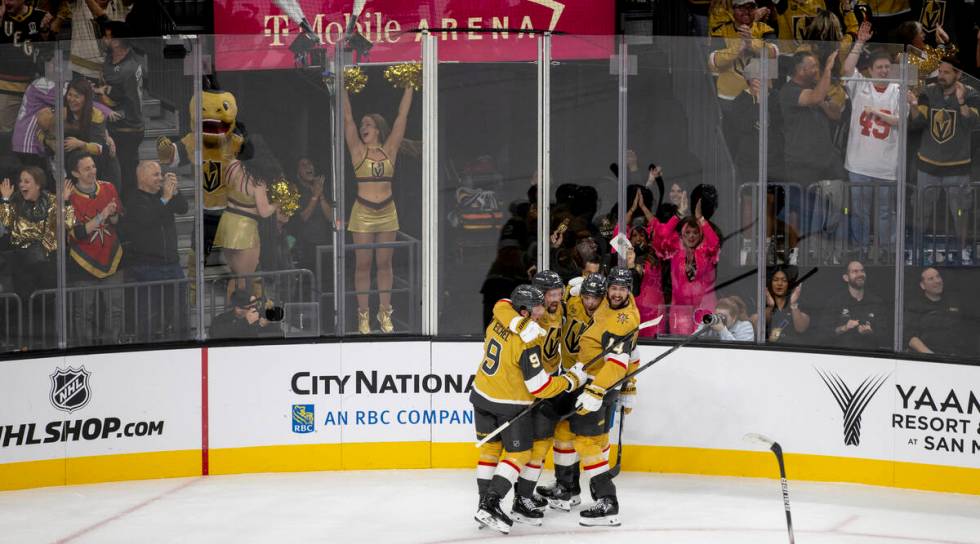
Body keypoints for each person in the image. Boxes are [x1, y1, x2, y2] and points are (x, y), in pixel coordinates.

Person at [471, 284, 587, 534]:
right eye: (536, 308)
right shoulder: (527, 342)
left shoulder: (498, 320)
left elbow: (501, 302)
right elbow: (540, 387)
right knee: (520, 454)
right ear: (523, 310)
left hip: (481, 396)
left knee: (490, 450)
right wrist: (572, 380)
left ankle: (482, 504)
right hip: (508, 404)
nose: (540, 312)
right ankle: (490, 505)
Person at [547, 267, 640, 527]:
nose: (618, 293)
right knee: (564, 431)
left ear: (628, 291)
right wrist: (571, 290)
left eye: (623, 289)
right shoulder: (605, 306)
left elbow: (619, 362)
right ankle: (567, 490)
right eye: (614, 288)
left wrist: (600, 389)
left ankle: (607, 503)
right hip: (582, 380)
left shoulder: (623, 320)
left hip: (598, 387)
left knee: (588, 443)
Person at [485, 270, 567, 524]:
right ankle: (502, 500)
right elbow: (501, 307)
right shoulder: (525, 312)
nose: (556, 299)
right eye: (551, 295)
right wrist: (520, 324)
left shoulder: (561, 307)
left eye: (559, 293)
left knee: (541, 446)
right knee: (522, 448)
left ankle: (524, 497)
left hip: (547, 383)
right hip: (527, 388)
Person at [342, 84, 414, 335]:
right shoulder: (357, 151)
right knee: (363, 265)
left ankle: (385, 314)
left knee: (385, 264)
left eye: (369, 124)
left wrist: (410, 85)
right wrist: (343, 86)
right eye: (363, 124)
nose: (363, 127)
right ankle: (363, 316)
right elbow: (347, 118)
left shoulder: (390, 149)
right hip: (362, 212)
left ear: (378, 130)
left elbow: (401, 118)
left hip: (387, 211)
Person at [909, 59, 980, 265]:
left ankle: (963, 250)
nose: (941, 76)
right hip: (927, 165)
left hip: (957, 167)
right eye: (940, 71)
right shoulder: (929, 92)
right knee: (922, 210)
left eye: (946, 72)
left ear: (958, 75)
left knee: (960, 213)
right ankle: (917, 249)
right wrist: (913, 105)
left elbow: (972, 122)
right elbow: (919, 121)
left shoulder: (972, 94)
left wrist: (961, 102)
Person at [842, 24, 904, 256]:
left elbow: (901, 121)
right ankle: (860, 251)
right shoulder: (860, 86)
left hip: (887, 166)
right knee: (860, 212)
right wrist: (859, 43)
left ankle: (887, 251)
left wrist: (877, 113)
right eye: (879, 67)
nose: (884, 71)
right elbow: (847, 69)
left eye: (888, 67)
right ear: (870, 69)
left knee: (886, 212)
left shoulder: (898, 90)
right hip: (858, 164)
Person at [0, 166, 73, 347]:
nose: (22, 185)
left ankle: (49, 345)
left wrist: (65, 202)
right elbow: (6, 225)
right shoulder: (15, 202)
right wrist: (6, 199)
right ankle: (25, 345)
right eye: (21, 181)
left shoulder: (53, 201)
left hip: (47, 264)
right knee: (25, 308)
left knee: (47, 307)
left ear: (38, 184)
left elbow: (69, 223)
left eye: (27, 181)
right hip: (23, 266)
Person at [122, 160, 187, 341]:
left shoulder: (163, 194)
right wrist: (165, 198)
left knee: (178, 313)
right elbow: (147, 219)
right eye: (156, 174)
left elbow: (183, 208)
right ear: (142, 177)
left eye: (161, 174)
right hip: (147, 267)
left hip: (172, 264)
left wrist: (175, 191)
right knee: (149, 316)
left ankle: (183, 345)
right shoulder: (134, 199)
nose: (160, 178)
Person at [66, 151, 123, 345]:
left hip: (112, 257)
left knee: (115, 309)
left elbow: (117, 221)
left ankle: (112, 347)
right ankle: (84, 351)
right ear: (75, 173)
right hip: (83, 262)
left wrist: (113, 214)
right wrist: (102, 215)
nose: (92, 171)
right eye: (86, 168)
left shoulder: (108, 187)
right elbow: (76, 233)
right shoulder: (70, 198)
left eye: (93, 166)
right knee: (83, 312)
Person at [212, 149, 280, 298]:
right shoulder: (258, 182)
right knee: (244, 282)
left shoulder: (231, 166)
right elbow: (264, 211)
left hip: (227, 224)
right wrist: (277, 204)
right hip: (244, 229)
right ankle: (242, 318)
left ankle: (231, 316)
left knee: (235, 278)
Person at [653, 201, 720, 335]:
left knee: (703, 347)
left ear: (701, 235)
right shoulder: (675, 251)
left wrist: (700, 219)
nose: (691, 236)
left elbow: (714, 242)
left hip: (704, 307)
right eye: (687, 232)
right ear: (682, 234)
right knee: (680, 348)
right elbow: (662, 235)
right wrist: (678, 215)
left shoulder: (707, 252)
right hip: (680, 309)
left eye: (695, 232)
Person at [37, 78, 119, 186]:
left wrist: (79, 144)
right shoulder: (60, 113)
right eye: (70, 95)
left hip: (100, 166)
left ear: (86, 99)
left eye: (77, 96)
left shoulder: (96, 115)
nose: (72, 99)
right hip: (71, 167)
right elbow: (40, 132)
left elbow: (99, 148)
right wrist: (50, 143)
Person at [96, 21, 142, 200]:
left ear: (116, 42)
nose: (103, 39)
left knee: (125, 171)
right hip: (112, 126)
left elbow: (129, 99)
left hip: (128, 128)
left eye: (106, 36)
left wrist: (104, 91)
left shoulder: (128, 68)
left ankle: (127, 208)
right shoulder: (110, 58)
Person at [0, 0, 50, 152]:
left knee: (31, 138)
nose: (8, 2)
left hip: (33, 90)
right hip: (4, 90)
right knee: (5, 136)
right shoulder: (1, 15)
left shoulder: (40, 16)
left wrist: (47, 31)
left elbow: (51, 50)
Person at [708, 0, 778, 101]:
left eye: (751, 7)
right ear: (733, 10)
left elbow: (774, 54)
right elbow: (714, 62)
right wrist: (738, 48)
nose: (746, 11)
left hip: (759, 95)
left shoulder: (765, 29)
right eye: (741, 8)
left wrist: (751, 42)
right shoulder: (720, 31)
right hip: (729, 96)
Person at [824, 261, 887, 350]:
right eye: (855, 271)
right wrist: (845, 328)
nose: (860, 274)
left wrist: (870, 332)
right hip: (842, 356)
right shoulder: (835, 302)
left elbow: (885, 336)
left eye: (862, 271)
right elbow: (825, 334)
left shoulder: (876, 302)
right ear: (846, 277)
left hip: (870, 356)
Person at [906, 267, 968, 356]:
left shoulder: (954, 302)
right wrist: (933, 357)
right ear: (922, 285)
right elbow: (911, 338)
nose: (937, 281)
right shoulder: (914, 306)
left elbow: (965, 331)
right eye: (931, 279)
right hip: (928, 358)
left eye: (938, 277)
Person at [291, 157, 333, 273]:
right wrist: (315, 196)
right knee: (308, 283)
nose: (308, 167)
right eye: (303, 165)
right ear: (298, 172)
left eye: (310, 164)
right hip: (306, 247)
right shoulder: (295, 191)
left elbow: (331, 217)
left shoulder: (320, 188)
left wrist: (321, 195)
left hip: (324, 245)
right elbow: (304, 217)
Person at [752, 265, 810, 343]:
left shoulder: (799, 302)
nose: (779, 283)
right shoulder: (762, 301)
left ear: (789, 284)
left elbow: (801, 328)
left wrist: (793, 304)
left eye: (784, 280)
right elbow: (755, 325)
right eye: (776, 280)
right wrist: (769, 307)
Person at [209, 288, 279, 339]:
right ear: (238, 309)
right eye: (251, 307)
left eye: (256, 305)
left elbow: (277, 334)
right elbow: (214, 333)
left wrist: (266, 325)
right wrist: (245, 322)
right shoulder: (222, 319)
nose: (254, 309)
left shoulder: (258, 315)